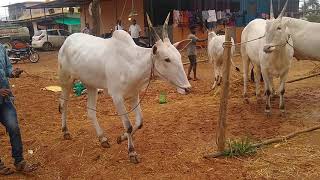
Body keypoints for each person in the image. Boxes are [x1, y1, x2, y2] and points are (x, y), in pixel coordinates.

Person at [0, 44, 37, 175]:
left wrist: (13, 72)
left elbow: (8, 68)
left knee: (14, 127)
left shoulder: (1, 48)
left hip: (5, 100)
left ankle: (19, 162)